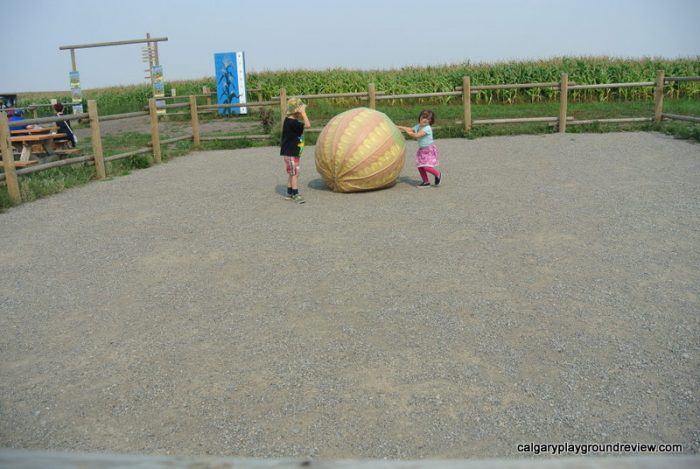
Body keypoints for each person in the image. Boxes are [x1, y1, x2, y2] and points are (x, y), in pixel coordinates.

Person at [398, 110, 442, 187]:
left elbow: (416, 135)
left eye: (428, 119)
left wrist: (406, 131)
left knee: (426, 166)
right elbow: (410, 129)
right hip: (422, 150)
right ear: (420, 117)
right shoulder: (419, 126)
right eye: (423, 117)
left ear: (430, 121)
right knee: (420, 166)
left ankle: (437, 174)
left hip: (429, 150)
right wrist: (398, 127)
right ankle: (426, 182)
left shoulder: (427, 128)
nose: (425, 120)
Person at [280, 97, 311, 203]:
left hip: (292, 152)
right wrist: (304, 114)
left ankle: (289, 193)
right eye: (301, 109)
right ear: (296, 110)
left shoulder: (289, 121)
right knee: (295, 174)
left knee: (292, 173)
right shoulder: (292, 123)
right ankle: (295, 194)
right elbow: (308, 125)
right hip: (291, 153)